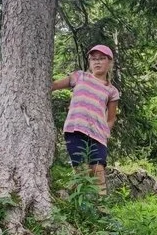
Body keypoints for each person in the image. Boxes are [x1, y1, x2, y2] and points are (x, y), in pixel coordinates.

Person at [51, 44, 120, 193]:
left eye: (102, 58)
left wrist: (105, 132)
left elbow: (111, 118)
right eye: (93, 59)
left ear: (109, 62)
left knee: (98, 170)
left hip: (98, 134)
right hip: (75, 129)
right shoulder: (79, 76)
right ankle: (82, 207)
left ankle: (101, 208)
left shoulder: (112, 91)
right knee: (81, 170)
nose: (97, 62)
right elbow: (54, 85)